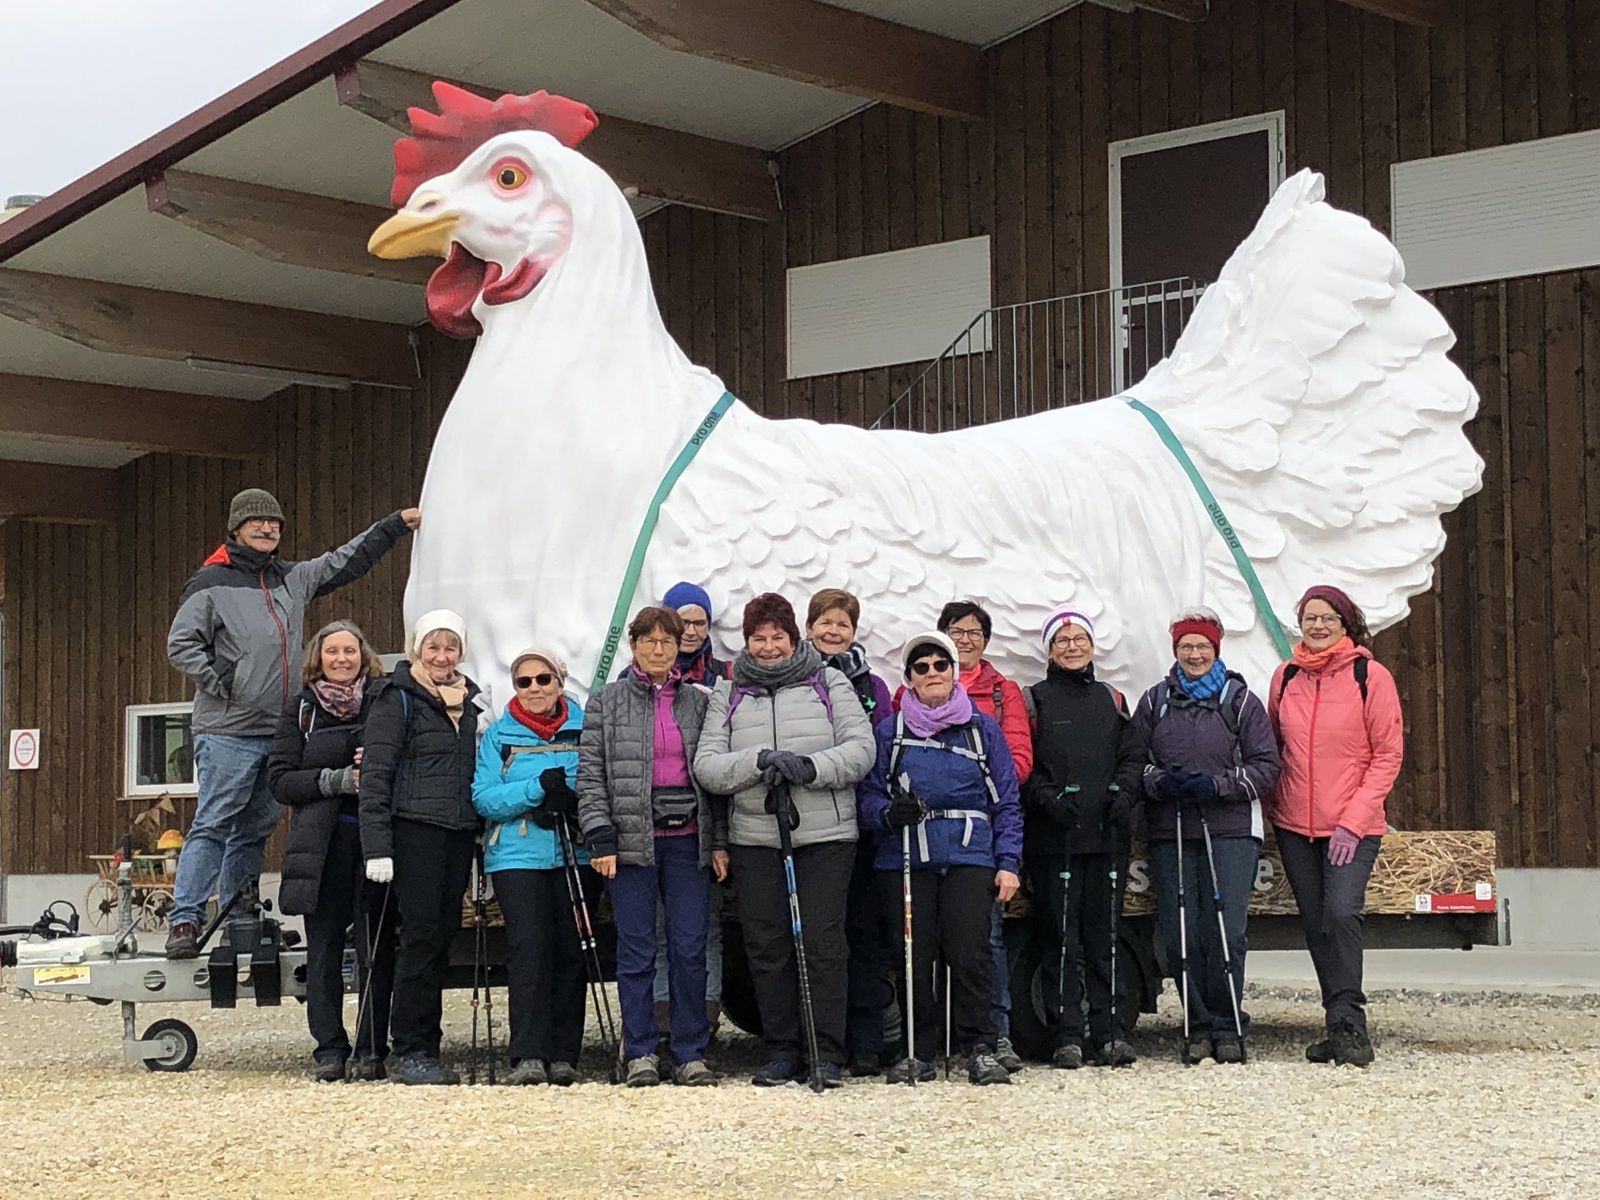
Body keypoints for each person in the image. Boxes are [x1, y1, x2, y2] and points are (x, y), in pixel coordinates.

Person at [164, 489, 419, 958]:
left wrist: (393, 527)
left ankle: (239, 913)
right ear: (237, 529)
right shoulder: (209, 583)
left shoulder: (292, 579)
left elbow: (346, 560)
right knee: (215, 821)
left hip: (280, 730)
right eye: (257, 522)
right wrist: (225, 682)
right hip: (227, 731)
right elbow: (181, 644)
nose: (267, 529)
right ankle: (185, 918)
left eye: (274, 523)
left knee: (255, 828)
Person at [694, 592, 875, 1087]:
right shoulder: (727, 693)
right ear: (746, 642)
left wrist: (812, 767)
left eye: (777, 636)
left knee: (821, 943)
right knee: (767, 945)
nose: (769, 646)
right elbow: (707, 765)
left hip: (824, 834)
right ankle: (781, 1050)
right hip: (756, 836)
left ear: (794, 637)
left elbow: (861, 750)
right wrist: (756, 761)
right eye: (759, 637)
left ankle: (825, 1050)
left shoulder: (828, 681)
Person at [858, 631, 1023, 1086]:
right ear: (909, 678)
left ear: (953, 671)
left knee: (970, 952)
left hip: (970, 852)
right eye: (921, 667)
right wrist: (889, 813)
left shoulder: (980, 727)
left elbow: (1005, 799)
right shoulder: (890, 731)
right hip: (908, 852)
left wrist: (1009, 860)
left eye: (940, 664)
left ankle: (980, 1046)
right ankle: (918, 1049)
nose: (932, 673)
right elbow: (868, 797)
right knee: (913, 954)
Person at [578, 606, 722, 1088]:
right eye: (649, 640)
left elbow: (713, 775)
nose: (659, 649)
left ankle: (690, 1051)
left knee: (689, 946)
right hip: (629, 841)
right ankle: (639, 1049)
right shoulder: (606, 701)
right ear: (634, 645)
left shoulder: (698, 702)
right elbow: (591, 775)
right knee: (636, 948)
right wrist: (599, 833)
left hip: (688, 841)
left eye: (668, 641)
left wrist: (718, 840)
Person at [1131, 606, 1280, 1064]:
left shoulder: (1240, 701)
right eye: (1186, 646)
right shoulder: (1155, 701)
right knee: (1181, 933)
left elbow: (1267, 767)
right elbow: (1134, 763)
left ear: (1216, 649)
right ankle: (1196, 1024)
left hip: (1229, 828)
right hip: (1172, 829)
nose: (1194, 654)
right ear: (1175, 650)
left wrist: (1217, 785)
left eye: (1202, 646)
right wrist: (1159, 782)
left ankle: (1227, 1022)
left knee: (1225, 932)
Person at [1267, 586, 1403, 1068]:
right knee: (1318, 923)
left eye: (1327, 618)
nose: (1317, 626)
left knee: (1342, 913)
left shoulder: (1370, 676)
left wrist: (1353, 821)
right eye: (1309, 618)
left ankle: (1351, 1024)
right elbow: (1275, 747)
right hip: (1294, 826)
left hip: (1352, 826)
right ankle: (1335, 1023)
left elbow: (1388, 755)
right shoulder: (1285, 677)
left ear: (1346, 624)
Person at [359, 610, 484, 1086]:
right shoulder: (398, 700)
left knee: (441, 936)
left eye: (450, 647)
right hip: (413, 832)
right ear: (416, 649)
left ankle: (421, 1044)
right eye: (432, 646)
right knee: (419, 939)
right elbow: (376, 774)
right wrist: (377, 847)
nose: (441, 656)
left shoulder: (468, 704)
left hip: (455, 833)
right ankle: (413, 1048)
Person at [266, 619, 395, 1082]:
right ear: (317, 658)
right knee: (322, 950)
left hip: (375, 840)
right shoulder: (300, 710)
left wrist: (378, 765)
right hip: (319, 848)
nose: (342, 659)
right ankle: (329, 1047)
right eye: (331, 651)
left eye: (350, 651)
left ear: (364, 655)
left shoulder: (384, 701)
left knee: (374, 947)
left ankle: (371, 1045)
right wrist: (336, 779)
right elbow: (280, 779)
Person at [1023, 609, 1144, 1069]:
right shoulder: (1035, 700)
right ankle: (1066, 1034)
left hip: (1106, 837)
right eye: (1062, 641)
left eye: (1079, 640)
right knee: (1059, 939)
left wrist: (1124, 792)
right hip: (1056, 839)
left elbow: (1133, 755)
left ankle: (1110, 1032)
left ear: (1092, 647)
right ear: (1050, 650)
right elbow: (1023, 763)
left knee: (1104, 938)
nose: (1072, 647)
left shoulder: (1111, 699)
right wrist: (1046, 799)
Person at [473, 648, 592, 1086]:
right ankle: (527, 1054)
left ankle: (564, 1054)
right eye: (524, 682)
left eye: (543, 679)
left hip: (572, 851)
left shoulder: (586, 728)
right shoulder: (498, 735)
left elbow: (594, 778)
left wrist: (570, 795)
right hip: (516, 855)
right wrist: (536, 789)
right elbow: (484, 797)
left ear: (560, 682)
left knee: (570, 950)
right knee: (529, 950)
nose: (535, 689)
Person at [937, 599, 1032, 1072]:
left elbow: (1017, 760)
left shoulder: (1002, 691)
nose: (966, 639)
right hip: (932, 836)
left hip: (983, 830)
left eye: (975, 632)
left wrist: (965, 782)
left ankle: (995, 1035)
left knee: (987, 940)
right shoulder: (916, 686)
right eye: (957, 631)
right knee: (939, 939)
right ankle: (942, 1036)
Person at [806, 586, 894, 1076]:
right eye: (825, 622)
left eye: (842, 624)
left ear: (854, 632)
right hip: (815, 821)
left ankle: (866, 1040)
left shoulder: (872, 686)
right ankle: (821, 1039)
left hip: (862, 822)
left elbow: (881, 745)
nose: (833, 631)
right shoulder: (797, 678)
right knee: (822, 936)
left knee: (864, 935)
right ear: (810, 627)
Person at [647, 581, 728, 1047]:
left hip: (709, 820)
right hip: (653, 823)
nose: (692, 630)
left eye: (700, 622)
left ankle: (704, 1018)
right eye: (684, 622)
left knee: (702, 928)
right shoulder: (634, 679)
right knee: (656, 929)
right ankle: (660, 1021)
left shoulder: (724, 675)